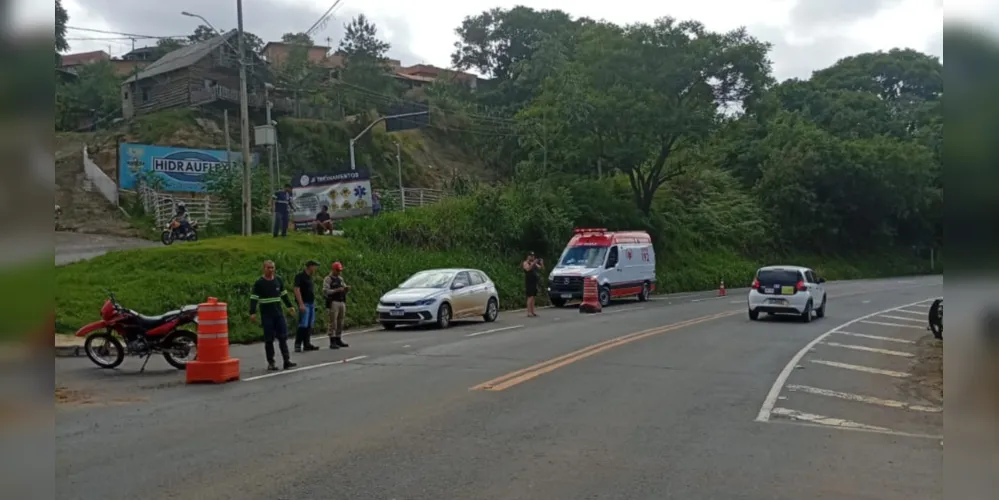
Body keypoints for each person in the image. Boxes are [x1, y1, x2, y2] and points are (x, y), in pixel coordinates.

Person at [249, 260, 298, 371]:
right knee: (269, 339)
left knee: (283, 337)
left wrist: (290, 306)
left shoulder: (278, 280)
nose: (271, 270)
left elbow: (284, 295)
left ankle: (286, 360)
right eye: (268, 268)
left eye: (272, 268)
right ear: (264, 268)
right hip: (267, 315)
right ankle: (271, 362)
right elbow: (254, 299)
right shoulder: (259, 283)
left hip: (278, 314)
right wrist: (252, 312)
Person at [293, 260, 322, 352]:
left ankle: (307, 343)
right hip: (304, 302)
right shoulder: (300, 277)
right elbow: (297, 290)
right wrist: (301, 304)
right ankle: (298, 344)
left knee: (309, 324)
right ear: (310, 266)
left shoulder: (310, 277)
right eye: (314, 266)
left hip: (311, 302)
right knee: (303, 324)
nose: (315, 269)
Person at [322, 261, 350, 349]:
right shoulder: (328, 279)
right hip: (333, 301)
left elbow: (343, 287)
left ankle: (338, 338)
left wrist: (346, 289)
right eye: (337, 270)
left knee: (340, 321)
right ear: (333, 269)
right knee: (333, 322)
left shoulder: (340, 279)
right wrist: (336, 290)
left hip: (341, 301)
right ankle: (332, 340)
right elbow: (326, 291)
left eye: (340, 271)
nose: (339, 272)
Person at [522, 252, 544, 317]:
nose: (532, 257)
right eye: (531, 256)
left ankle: (532, 311)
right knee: (530, 297)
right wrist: (533, 263)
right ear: (528, 256)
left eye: (533, 256)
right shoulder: (525, 263)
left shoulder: (533, 263)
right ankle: (529, 312)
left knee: (533, 297)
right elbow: (527, 269)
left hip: (534, 281)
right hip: (529, 282)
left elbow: (541, 268)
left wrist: (541, 263)